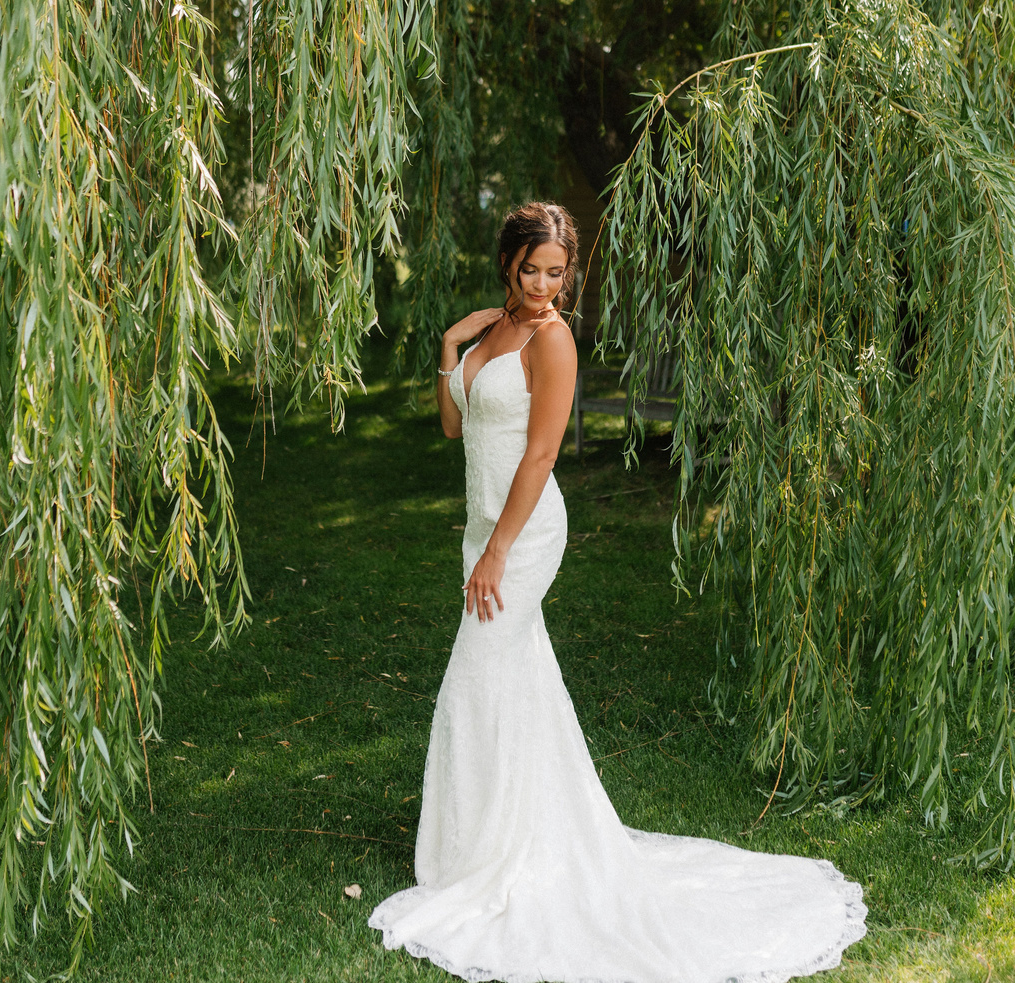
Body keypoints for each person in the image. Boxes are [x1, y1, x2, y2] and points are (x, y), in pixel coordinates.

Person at [369, 201, 867, 983]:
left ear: (570, 274)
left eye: (556, 272)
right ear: (509, 263)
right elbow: (452, 428)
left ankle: (479, 853)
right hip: (481, 531)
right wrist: (448, 349)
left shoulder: (553, 339)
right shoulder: (493, 330)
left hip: (522, 533)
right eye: (530, 269)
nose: (542, 285)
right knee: (515, 676)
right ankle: (505, 832)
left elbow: (538, 459)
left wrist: (499, 552)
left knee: (476, 671)